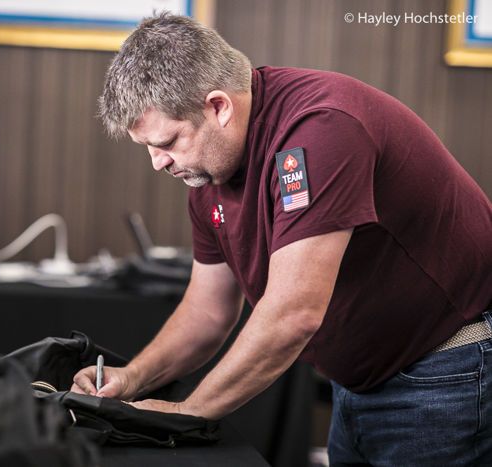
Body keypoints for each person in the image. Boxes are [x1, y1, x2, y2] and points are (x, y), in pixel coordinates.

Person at [71, 13, 492, 465]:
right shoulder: (209, 169)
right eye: (150, 148)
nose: (159, 162)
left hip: (447, 372)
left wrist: (186, 412)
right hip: (361, 383)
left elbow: (294, 312)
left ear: (218, 107)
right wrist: (132, 378)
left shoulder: (321, 129)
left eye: (169, 141)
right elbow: (207, 312)